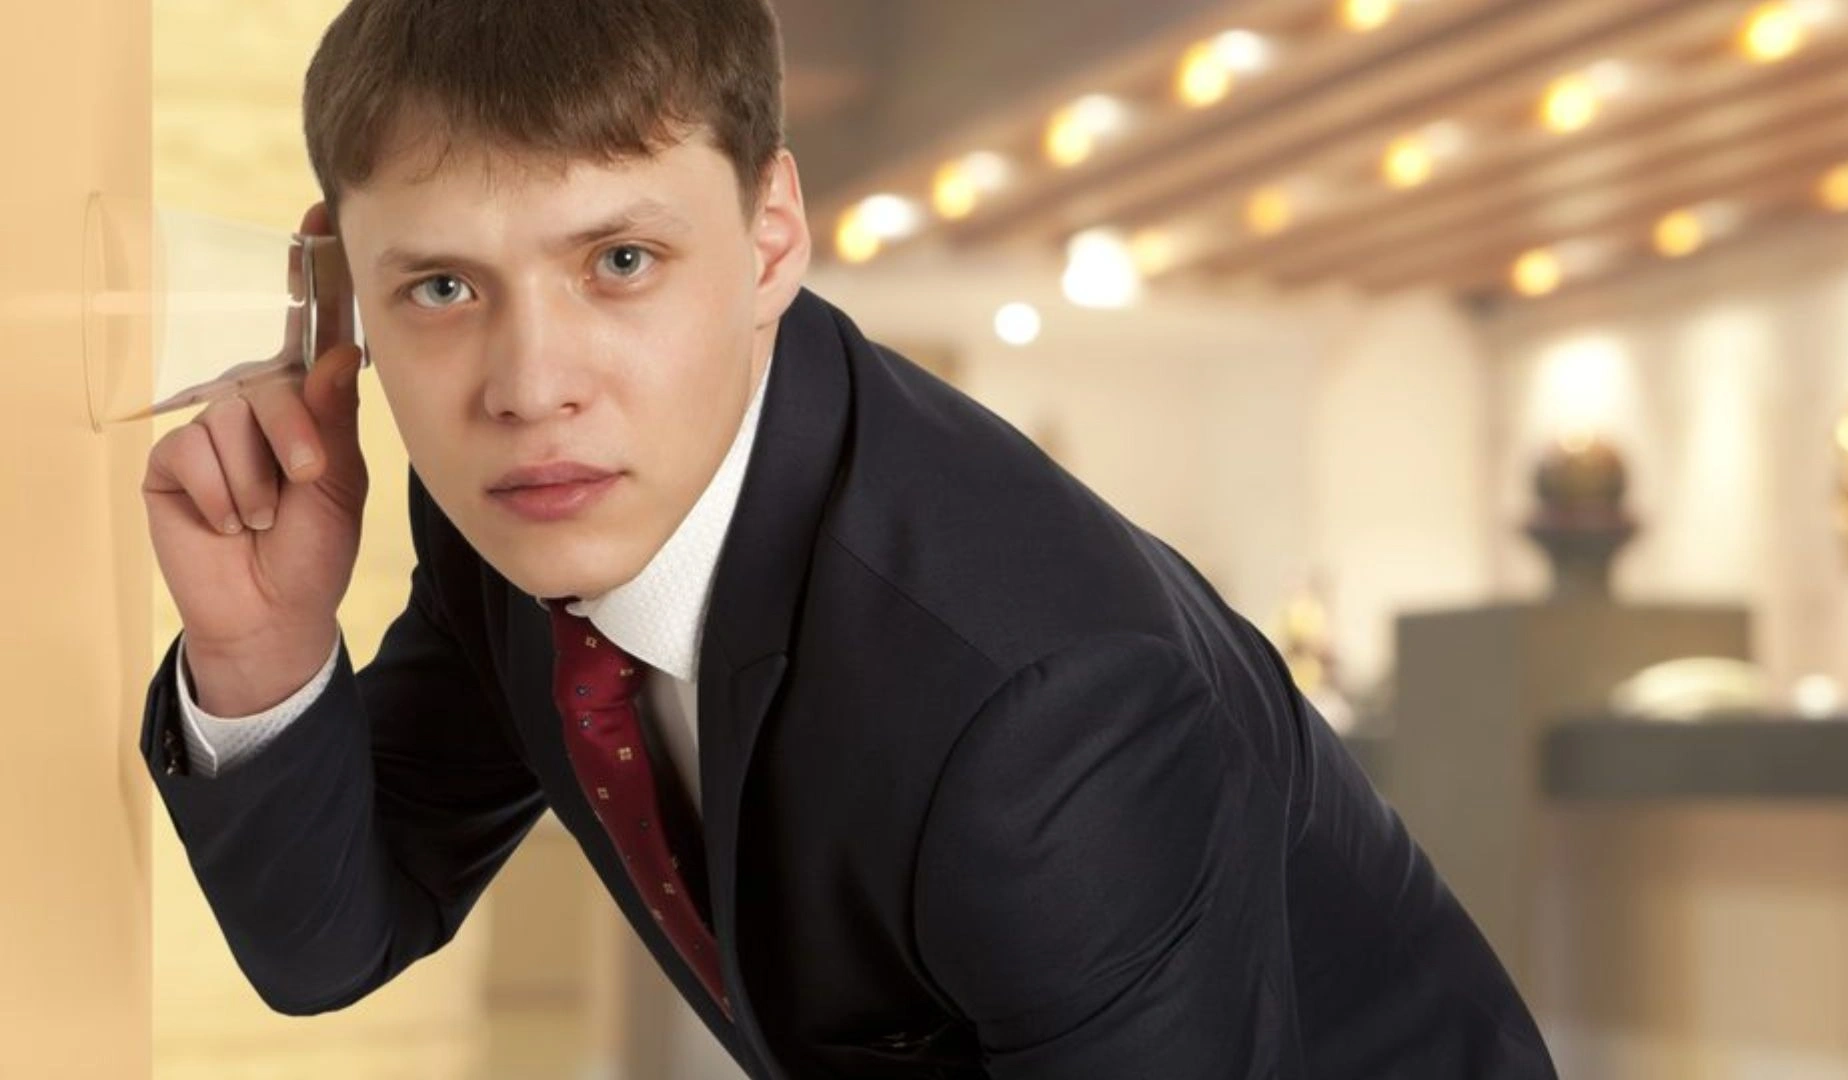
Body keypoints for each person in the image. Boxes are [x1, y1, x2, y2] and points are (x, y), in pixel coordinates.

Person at [137, 1, 1559, 1076]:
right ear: (333, 284)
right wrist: (263, 649)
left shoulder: (1040, 709)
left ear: (769, 241)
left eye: (620, 262)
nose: (527, 385)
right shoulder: (523, 523)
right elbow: (332, 944)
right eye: (442, 285)